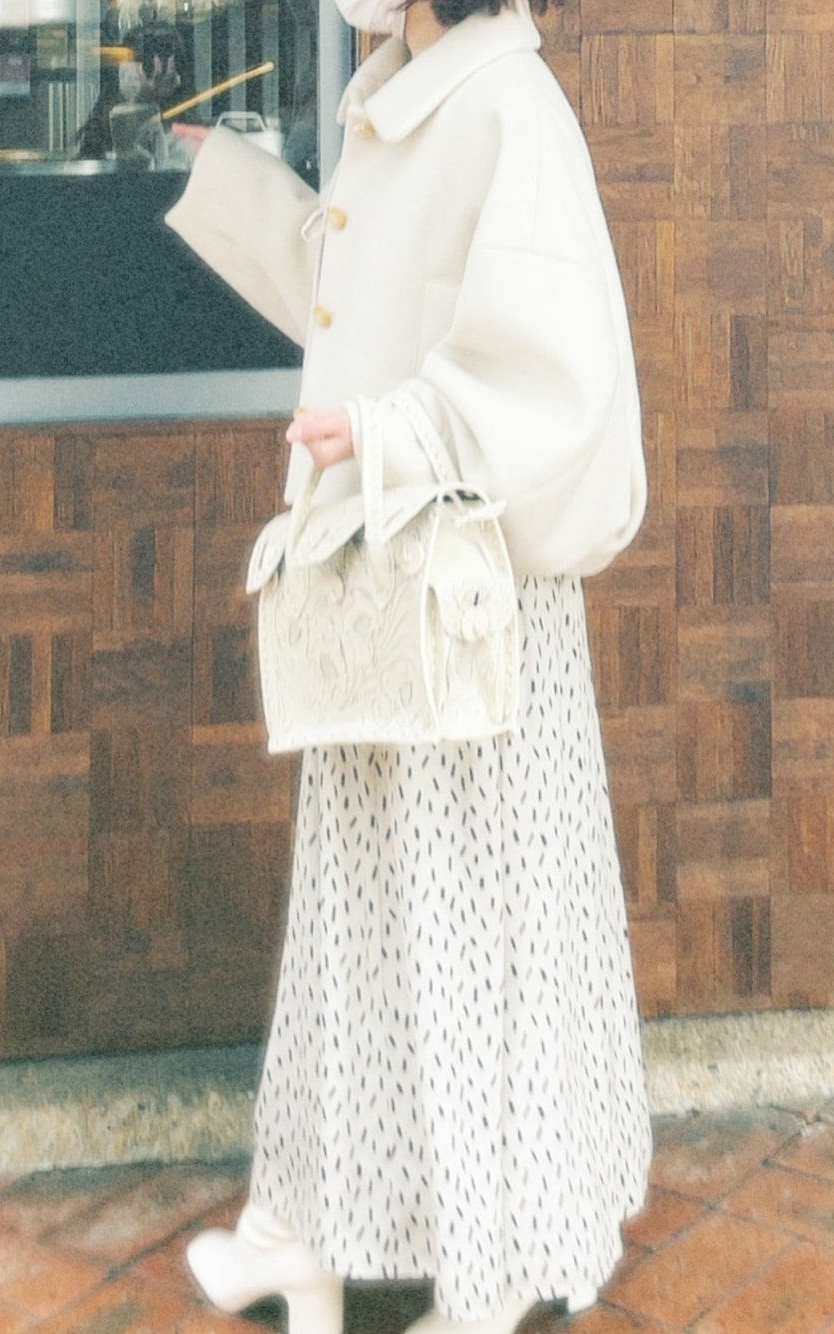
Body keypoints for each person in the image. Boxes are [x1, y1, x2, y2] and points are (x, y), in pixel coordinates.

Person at [165, 0, 652, 1328]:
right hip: (393, 585)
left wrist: (389, 433)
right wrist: (232, 181)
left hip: (463, 607)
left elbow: (554, 377)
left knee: (464, 937)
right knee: (366, 925)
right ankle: (300, 1231)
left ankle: (482, 1273)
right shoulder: (416, 95)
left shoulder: (507, 109)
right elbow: (352, 289)